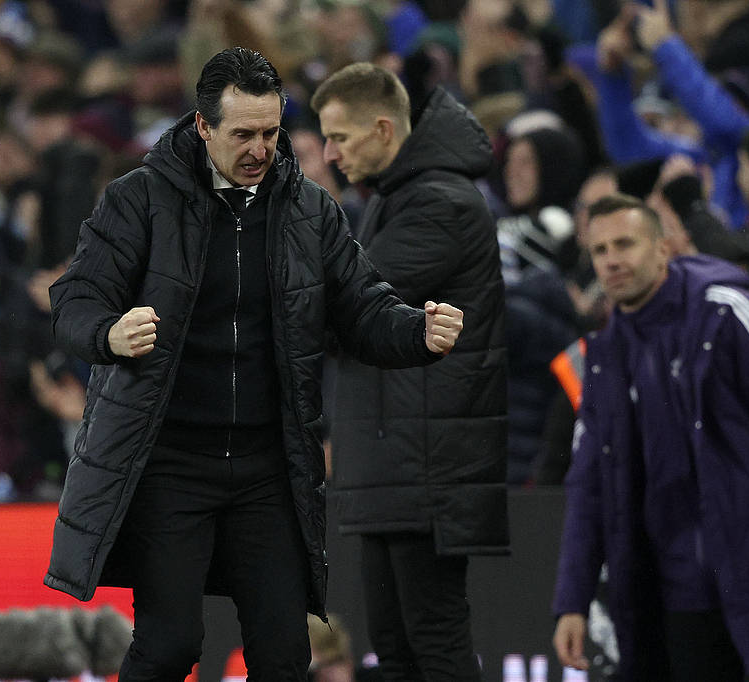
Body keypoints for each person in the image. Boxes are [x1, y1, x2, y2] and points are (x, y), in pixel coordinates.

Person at [42, 48, 465, 682]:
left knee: (286, 655)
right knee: (170, 645)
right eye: (243, 134)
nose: (260, 149)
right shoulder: (138, 199)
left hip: (269, 470)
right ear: (203, 126)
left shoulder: (309, 210)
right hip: (171, 464)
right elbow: (74, 298)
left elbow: (362, 308)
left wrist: (417, 332)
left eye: (270, 133)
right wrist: (109, 333)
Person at [551, 193, 749, 681]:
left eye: (626, 244)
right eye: (600, 250)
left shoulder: (729, 313)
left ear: (663, 248)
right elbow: (589, 483)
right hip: (680, 598)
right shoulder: (602, 356)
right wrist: (572, 601)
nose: (612, 260)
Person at [311, 63, 508, 681]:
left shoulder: (438, 204)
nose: (329, 153)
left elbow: (347, 312)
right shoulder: (396, 199)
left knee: (432, 643)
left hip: (423, 459)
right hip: (394, 455)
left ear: (382, 129)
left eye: (339, 137)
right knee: (396, 649)